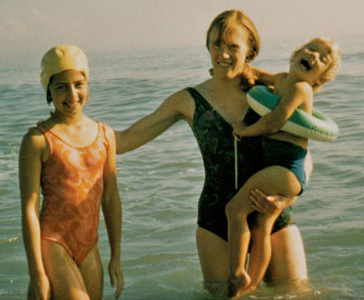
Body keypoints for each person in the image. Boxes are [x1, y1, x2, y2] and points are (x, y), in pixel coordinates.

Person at [115, 10, 310, 296]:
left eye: (233, 46)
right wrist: (71, 128)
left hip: (273, 213)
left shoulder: (273, 95)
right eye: (217, 44)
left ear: (250, 50)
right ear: (208, 47)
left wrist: (285, 198)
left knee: (296, 293)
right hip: (216, 221)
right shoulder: (189, 99)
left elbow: (303, 156)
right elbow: (126, 139)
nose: (224, 53)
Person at [226, 37, 342, 296]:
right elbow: (256, 74)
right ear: (296, 53)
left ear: (320, 78)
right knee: (262, 225)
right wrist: (234, 68)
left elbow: (274, 122)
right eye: (312, 50)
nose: (315, 56)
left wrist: (244, 131)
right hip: (283, 168)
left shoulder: (302, 88)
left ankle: (236, 275)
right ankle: (252, 285)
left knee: (234, 210)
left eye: (324, 59)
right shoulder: (280, 80)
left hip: (287, 166)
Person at [19, 45, 123, 300]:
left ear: (88, 84)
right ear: (48, 91)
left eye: (78, 84)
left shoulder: (105, 136)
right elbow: (30, 209)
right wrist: (37, 273)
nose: (72, 94)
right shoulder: (38, 140)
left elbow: (111, 198)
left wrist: (116, 256)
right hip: (54, 242)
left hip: (89, 246)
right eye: (61, 86)